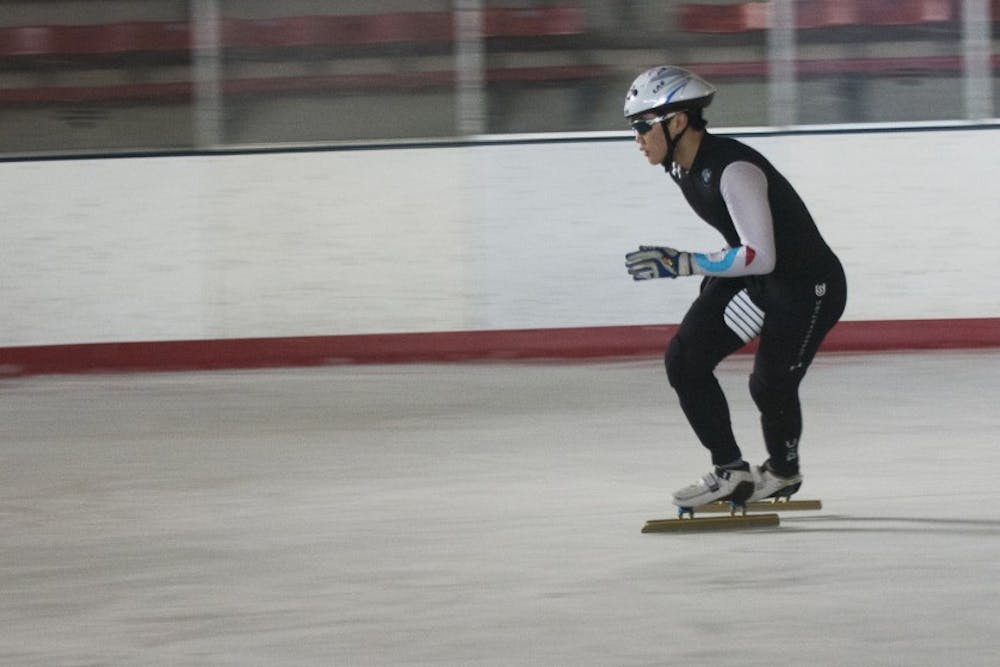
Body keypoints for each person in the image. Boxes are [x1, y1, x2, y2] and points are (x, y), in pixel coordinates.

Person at [622, 65, 847, 510]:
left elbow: (760, 253)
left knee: (769, 387)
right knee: (685, 359)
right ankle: (732, 471)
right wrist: (711, 274)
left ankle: (782, 472)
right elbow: (751, 251)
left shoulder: (732, 168)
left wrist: (684, 262)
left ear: (678, 121)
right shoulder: (678, 167)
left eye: (644, 126)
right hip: (761, 283)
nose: (637, 138)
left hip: (808, 289)